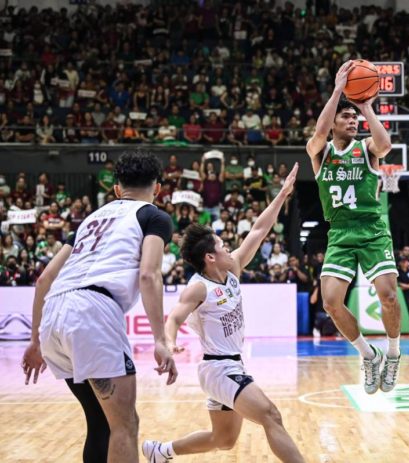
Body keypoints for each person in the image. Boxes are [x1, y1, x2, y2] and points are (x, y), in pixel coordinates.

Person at [21, 151, 177, 463]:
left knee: (100, 423)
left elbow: (44, 280)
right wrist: (161, 340)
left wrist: (35, 341)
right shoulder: (153, 216)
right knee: (124, 425)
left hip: (54, 314)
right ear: (157, 189)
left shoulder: (88, 220)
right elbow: (148, 274)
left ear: (117, 190)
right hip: (92, 313)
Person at [142, 164, 304, 463]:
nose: (229, 247)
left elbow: (258, 229)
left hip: (229, 366)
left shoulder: (232, 272)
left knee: (224, 439)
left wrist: (282, 194)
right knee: (271, 415)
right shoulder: (198, 288)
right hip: (219, 369)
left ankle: (161, 451)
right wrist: (168, 342)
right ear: (209, 257)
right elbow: (174, 318)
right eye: (222, 245)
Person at [305, 60, 401, 394]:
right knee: (331, 302)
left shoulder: (366, 149)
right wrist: (337, 90)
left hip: (372, 228)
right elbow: (317, 134)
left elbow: (385, 144)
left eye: (354, 118)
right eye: (346, 116)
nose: (352, 121)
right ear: (334, 122)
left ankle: (392, 353)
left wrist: (366, 107)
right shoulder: (320, 152)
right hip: (341, 232)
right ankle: (368, 354)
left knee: (388, 296)